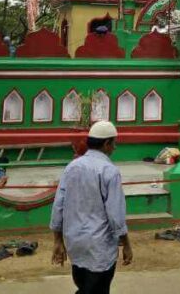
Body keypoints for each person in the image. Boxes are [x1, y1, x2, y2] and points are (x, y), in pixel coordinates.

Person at [51, 120, 132, 294]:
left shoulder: (72, 167)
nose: (115, 147)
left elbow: (58, 205)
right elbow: (115, 215)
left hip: (75, 244)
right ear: (107, 143)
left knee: (84, 287)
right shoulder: (109, 171)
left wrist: (57, 240)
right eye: (114, 143)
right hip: (99, 247)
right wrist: (126, 243)